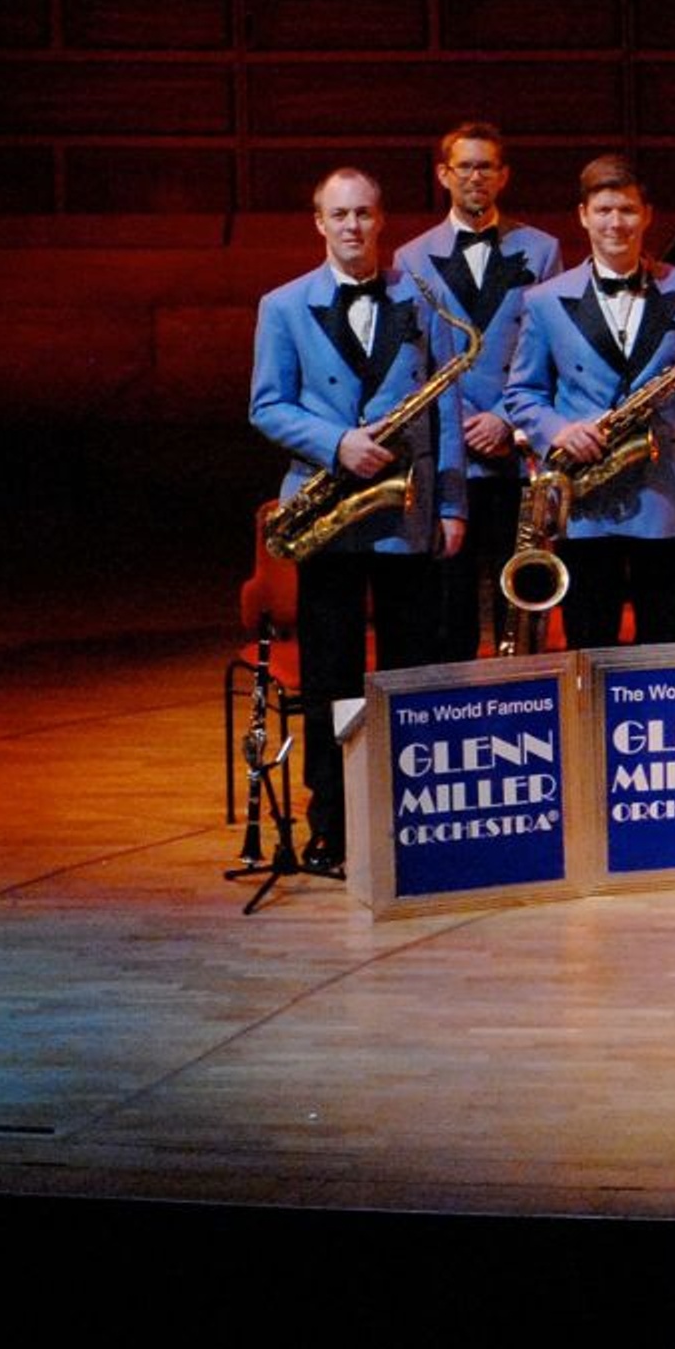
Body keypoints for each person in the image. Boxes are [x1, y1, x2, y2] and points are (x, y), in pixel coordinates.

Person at [249, 168, 464, 873]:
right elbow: (267, 406)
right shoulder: (281, 306)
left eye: (364, 214)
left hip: (405, 508)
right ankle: (332, 825)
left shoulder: (423, 299)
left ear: (381, 220)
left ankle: (407, 820)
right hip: (328, 510)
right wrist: (335, 443)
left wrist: (453, 503)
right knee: (330, 677)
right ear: (319, 223)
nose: (352, 227)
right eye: (338, 215)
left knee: (408, 672)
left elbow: (446, 408)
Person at [498, 158, 675, 649]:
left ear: (647, 215)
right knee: (589, 643)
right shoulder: (544, 299)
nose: (616, 223)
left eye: (627, 210)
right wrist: (559, 431)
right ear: (583, 215)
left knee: (666, 644)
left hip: (667, 494)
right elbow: (521, 393)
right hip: (587, 499)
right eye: (604, 210)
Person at [391, 122, 556, 653]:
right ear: (444, 175)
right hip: (449, 455)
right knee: (449, 606)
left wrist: (507, 420)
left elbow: (547, 346)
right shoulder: (409, 259)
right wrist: (461, 424)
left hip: (516, 453)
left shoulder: (543, 249)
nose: (476, 176)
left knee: (523, 601)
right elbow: (417, 362)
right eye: (465, 166)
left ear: (503, 176)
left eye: (487, 166)